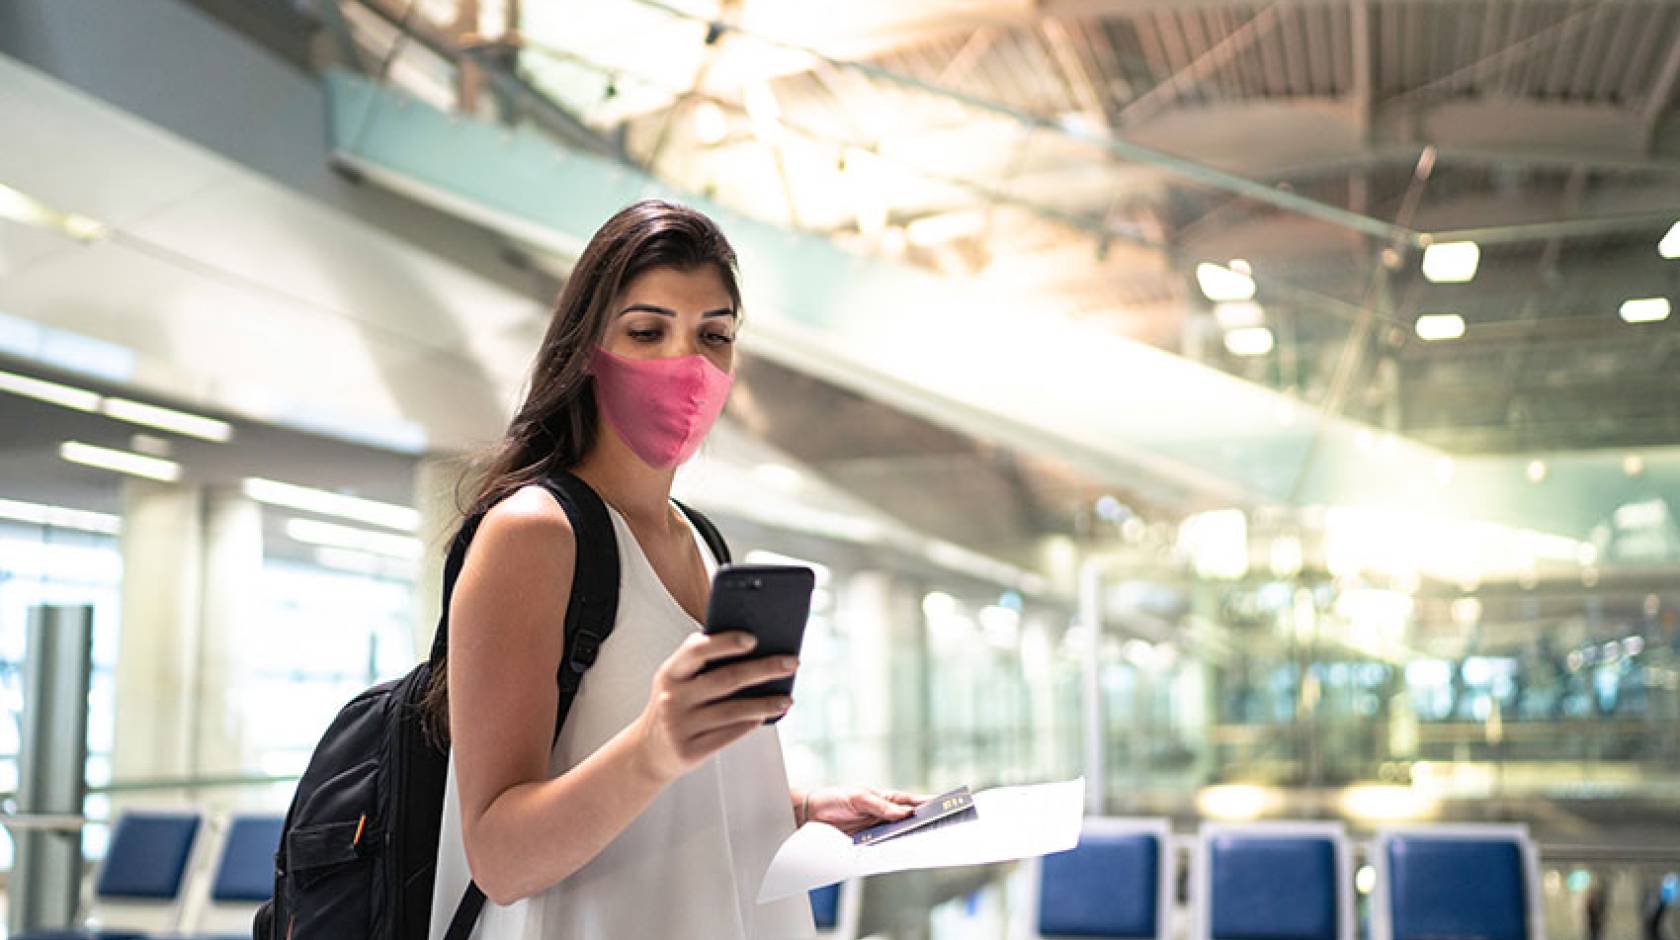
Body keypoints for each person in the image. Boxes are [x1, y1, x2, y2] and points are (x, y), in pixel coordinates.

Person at [425, 200, 918, 939]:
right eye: (646, 331)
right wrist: (654, 745)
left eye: (712, 336)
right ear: (584, 349)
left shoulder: (704, 543)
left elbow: (669, 795)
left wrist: (800, 808)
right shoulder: (533, 535)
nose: (683, 364)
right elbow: (497, 857)